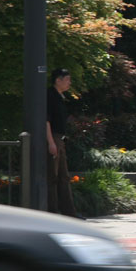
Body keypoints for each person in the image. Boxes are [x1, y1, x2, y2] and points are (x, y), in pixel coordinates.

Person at [46, 68, 82, 219]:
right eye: (67, 79)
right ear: (58, 80)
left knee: (63, 176)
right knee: (52, 176)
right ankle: (52, 213)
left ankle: (69, 212)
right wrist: (51, 142)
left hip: (59, 138)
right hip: (54, 138)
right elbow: (46, 121)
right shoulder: (50, 95)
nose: (69, 83)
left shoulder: (60, 97)